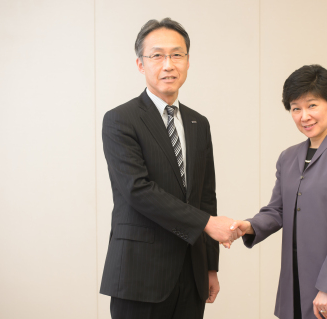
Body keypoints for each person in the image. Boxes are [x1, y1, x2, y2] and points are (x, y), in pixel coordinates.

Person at [100, 18, 237, 319]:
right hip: (140, 275)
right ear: (140, 64)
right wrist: (205, 223)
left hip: (191, 275)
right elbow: (138, 190)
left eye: (177, 55)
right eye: (157, 55)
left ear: (188, 62)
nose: (168, 65)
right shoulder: (120, 120)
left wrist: (210, 266)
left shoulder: (198, 123)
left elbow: (206, 196)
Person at [229, 65, 327, 319]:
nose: (304, 116)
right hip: (293, 280)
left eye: (312, 105)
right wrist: (248, 226)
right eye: (296, 108)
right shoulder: (288, 157)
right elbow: (278, 210)